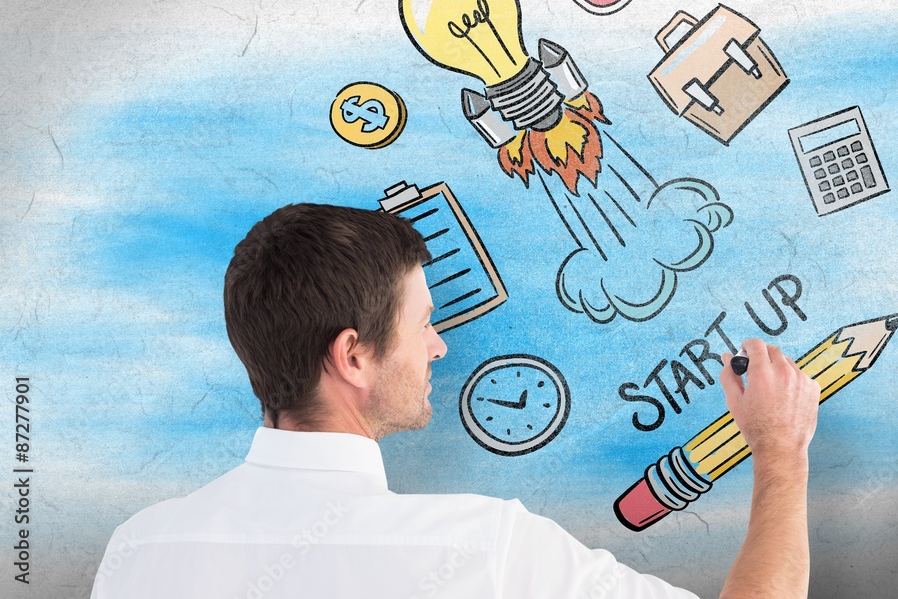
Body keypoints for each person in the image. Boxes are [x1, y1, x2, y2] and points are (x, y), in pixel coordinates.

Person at [91, 204, 820, 599]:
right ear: (353, 355)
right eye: (424, 324)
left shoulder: (139, 550)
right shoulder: (482, 548)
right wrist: (780, 454)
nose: (439, 347)